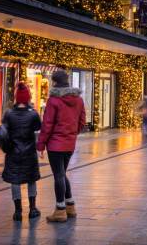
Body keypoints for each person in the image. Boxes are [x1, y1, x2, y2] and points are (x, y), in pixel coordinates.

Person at [37, 71, 86, 223]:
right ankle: (70, 206)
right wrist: (72, 133)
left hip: (55, 145)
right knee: (62, 174)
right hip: (70, 143)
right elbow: (82, 120)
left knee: (58, 175)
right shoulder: (78, 99)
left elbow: (47, 125)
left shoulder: (54, 100)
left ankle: (60, 210)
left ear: (54, 82)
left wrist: (41, 145)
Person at [1, 83, 42, 221]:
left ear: (17, 98)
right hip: (29, 152)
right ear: (28, 98)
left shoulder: (9, 114)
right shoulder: (33, 114)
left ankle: (18, 211)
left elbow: (3, 129)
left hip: (13, 152)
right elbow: (38, 127)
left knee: (15, 180)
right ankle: (33, 209)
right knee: (31, 179)